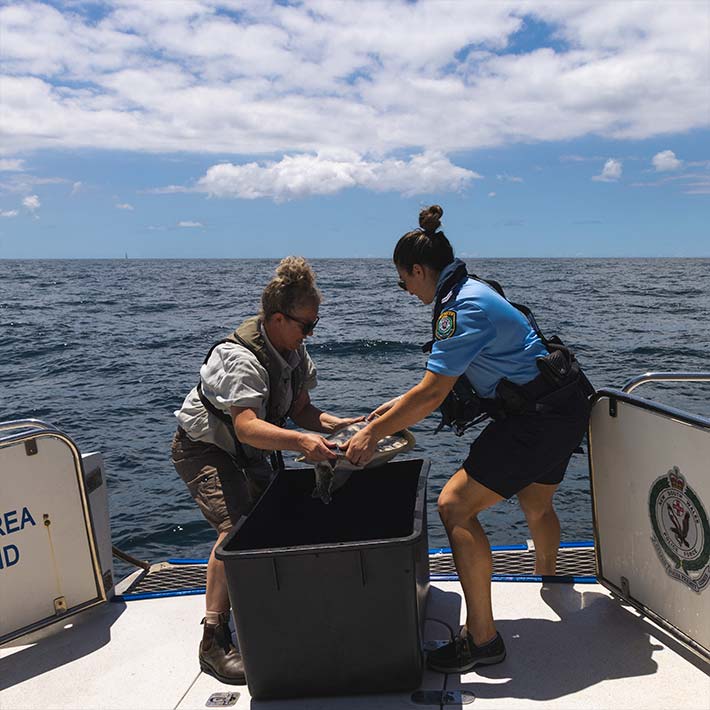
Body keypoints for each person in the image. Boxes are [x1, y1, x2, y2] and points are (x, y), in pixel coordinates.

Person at [345, 205, 592, 674]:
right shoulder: (472, 290)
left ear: (419, 271)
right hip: (562, 408)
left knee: (455, 507)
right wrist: (391, 410)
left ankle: (483, 641)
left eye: (404, 282)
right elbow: (433, 387)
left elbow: (433, 392)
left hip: (535, 422)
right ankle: (550, 577)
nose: (406, 292)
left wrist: (374, 431)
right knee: (537, 505)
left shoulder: (460, 309)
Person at [172, 256, 360, 685]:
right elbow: (247, 425)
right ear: (277, 318)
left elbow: (301, 410)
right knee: (235, 528)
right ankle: (214, 641)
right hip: (204, 449)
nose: (310, 333)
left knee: (272, 520)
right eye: (305, 325)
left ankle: (261, 604)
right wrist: (301, 442)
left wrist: (342, 426)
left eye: (314, 325)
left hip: (247, 452)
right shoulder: (241, 360)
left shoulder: (291, 351)